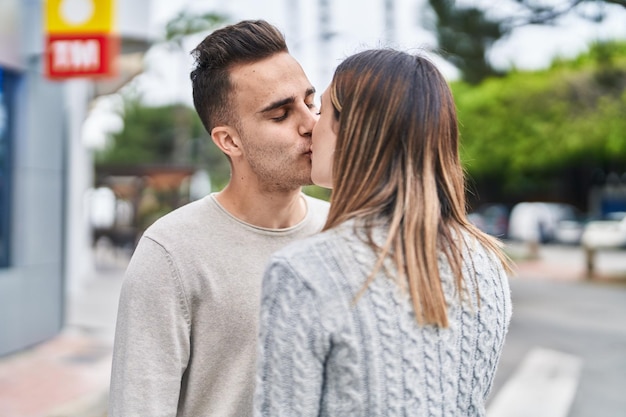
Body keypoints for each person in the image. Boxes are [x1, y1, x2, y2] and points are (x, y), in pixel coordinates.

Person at [254, 49, 513, 416]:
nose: (311, 125)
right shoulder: (484, 259)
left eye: (323, 111)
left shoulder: (305, 272)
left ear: (356, 132)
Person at [109, 20, 329, 417]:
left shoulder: (344, 231)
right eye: (280, 114)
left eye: (310, 103)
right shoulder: (171, 254)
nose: (310, 125)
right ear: (229, 141)